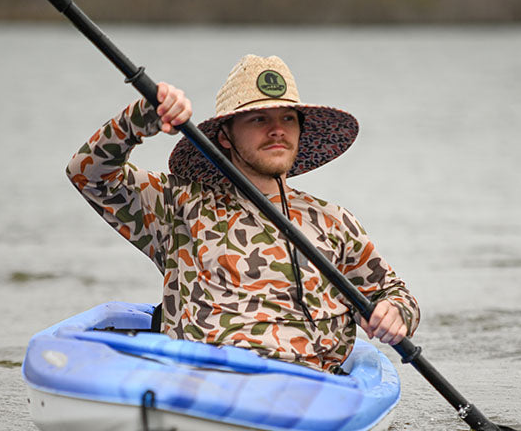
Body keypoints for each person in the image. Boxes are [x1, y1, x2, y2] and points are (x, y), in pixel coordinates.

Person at [67, 54, 419, 373]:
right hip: (205, 384)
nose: (277, 129)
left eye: (287, 118)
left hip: (310, 393)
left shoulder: (334, 222)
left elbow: (394, 293)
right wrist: (140, 119)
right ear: (224, 137)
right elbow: (88, 173)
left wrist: (396, 313)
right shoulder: (179, 205)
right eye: (258, 119)